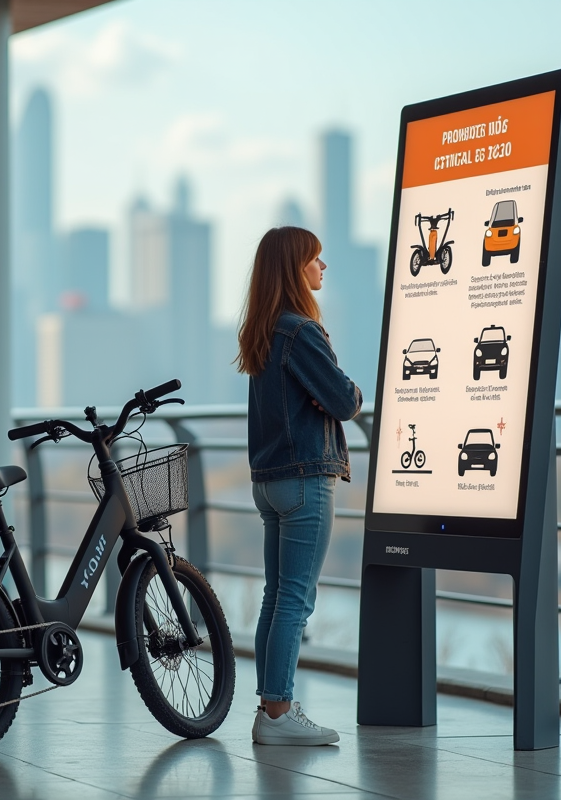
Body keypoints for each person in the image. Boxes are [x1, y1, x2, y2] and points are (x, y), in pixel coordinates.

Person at [236, 226, 362, 746]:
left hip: (268, 482)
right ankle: (279, 714)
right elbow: (346, 401)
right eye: (315, 259)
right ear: (296, 268)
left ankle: (270, 709)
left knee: (276, 596)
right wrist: (341, 389)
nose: (323, 268)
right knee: (296, 599)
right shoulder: (301, 331)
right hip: (306, 479)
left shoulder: (263, 332)